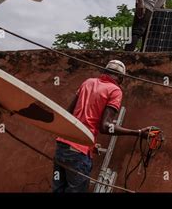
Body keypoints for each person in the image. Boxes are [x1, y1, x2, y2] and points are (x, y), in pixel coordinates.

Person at [52, 60, 154, 192]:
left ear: (104, 71)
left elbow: (69, 114)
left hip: (62, 146)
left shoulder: (87, 82)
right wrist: (138, 133)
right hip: (79, 152)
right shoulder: (115, 90)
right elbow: (105, 127)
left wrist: (91, 145)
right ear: (121, 78)